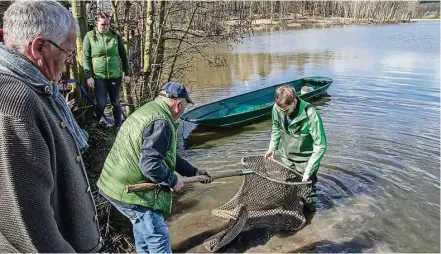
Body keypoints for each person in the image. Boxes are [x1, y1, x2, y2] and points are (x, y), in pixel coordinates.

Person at [0, 1, 102, 252]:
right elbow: (27, 224)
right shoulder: (14, 103)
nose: (70, 62)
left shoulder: (36, 87)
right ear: (39, 47)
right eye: (67, 53)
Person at [97, 82, 211, 253]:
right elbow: (150, 165)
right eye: (185, 107)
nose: (183, 112)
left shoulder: (149, 109)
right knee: (158, 236)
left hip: (113, 184)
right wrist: (172, 180)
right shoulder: (161, 122)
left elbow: (165, 154)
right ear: (178, 105)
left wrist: (193, 171)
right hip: (131, 192)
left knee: (143, 229)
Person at [264, 84, 327, 214]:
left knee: (307, 194)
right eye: (281, 110)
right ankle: (291, 212)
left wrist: (309, 170)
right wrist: (272, 148)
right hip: (287, 157)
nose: (283, 112)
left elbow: (320, 145)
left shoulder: (310, 114)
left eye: (286, 110)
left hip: (306, 160)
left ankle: (311, 218)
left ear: (294, 101)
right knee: (287, 188)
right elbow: (276, 128)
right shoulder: (277, 108)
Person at [83, 12, 130, 128]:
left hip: (115, 75)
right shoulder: (89, 37)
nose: (105, 27)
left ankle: (118, 127)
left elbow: (123, 56)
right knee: (101, 103)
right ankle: (94, 124)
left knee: (116, 102)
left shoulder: (115, 36)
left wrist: (127, 73)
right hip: (99, 76)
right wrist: (88, 76)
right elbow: (86, 57)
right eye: (103, 24)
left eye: (107, 24)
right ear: (96, 23)